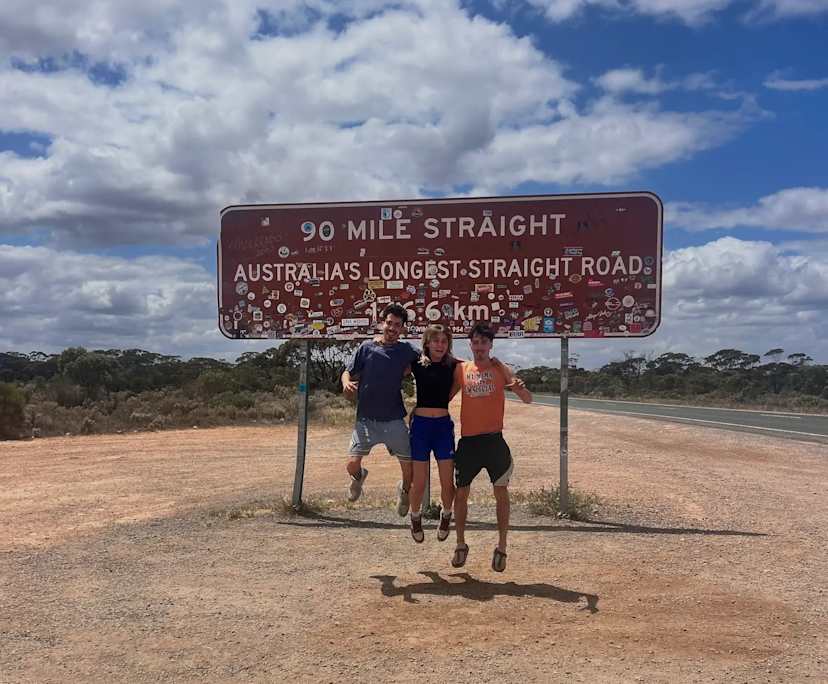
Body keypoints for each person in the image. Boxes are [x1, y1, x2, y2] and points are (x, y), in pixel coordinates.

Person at [449, 322, 532, 572]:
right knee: (460, 494)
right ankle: (461, 544)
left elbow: (528, 399)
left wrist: (518, 389)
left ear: (491, 345)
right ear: (470, 344)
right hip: (468, 443)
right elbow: (445, 398)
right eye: (475, 342)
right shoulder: (461, 369)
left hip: (494, 442)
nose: (480, 347)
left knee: (501, 494)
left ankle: (502, 547)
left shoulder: (500, 369)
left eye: (484, 342)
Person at [341, 303, 420, 515]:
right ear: (382, 323)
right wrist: (346, 383)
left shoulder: (406, 350)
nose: (392, 328)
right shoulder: (367, 347)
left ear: (403, 328)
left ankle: (404, 492)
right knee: (351, 464)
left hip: (394, 418)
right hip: (365, 419)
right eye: (389, 323)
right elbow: (347, 371)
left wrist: (416, 364)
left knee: (408, 466)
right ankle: (358, 477)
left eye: (397, 325)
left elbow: (426, 358)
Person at [406, 325, 460, 544]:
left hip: (442, 428)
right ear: (427, 343)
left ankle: (446, 514)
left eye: (444, 341)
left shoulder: (454, 365)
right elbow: (389, 371)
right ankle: (415, 516)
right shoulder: (416, 363)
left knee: (447, 482)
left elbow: (470, 373)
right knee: (418, 483)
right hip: (420, 427)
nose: (440, 345)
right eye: (435, 340)